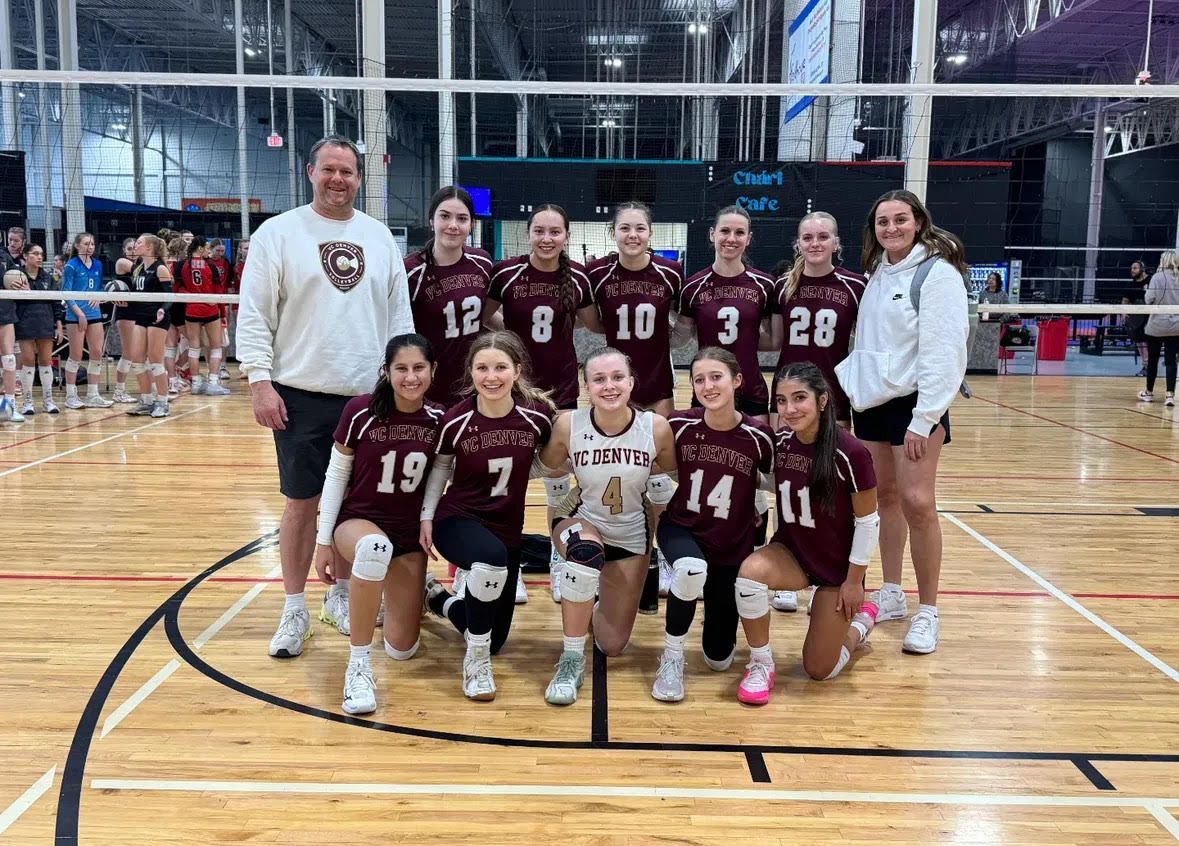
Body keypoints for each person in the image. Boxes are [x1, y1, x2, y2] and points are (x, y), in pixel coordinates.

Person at [236, 134, 415, 660]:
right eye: (329, 169)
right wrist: (258, 380)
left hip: (368, 397)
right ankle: (294, 609)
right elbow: (254, 313)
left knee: (360, 510)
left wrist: (400, 381)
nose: (339, 179)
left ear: (360, 178)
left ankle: (340, 597)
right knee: (301, 505)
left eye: (349, 171)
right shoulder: (279, 233)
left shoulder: (378, 236)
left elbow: (398, 316)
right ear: (310, 172)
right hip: (300, 393)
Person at [835, 188, 968, 655]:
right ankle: (892, 591)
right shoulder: (878, 274)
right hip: (872, 404)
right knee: (884, 498)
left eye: (900, 220)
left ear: (919, 222)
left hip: (915, 407)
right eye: (882, 222)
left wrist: (925, 417)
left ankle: (928, 610)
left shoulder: (937, 274)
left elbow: (946, 350)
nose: (891, 228)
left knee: (917, 501)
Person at [313, 333, 446, 714]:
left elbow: (439, 476)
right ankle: (357, 667)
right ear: (385, 372)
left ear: (433, 371)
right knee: (374, 549)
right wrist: (323, 541)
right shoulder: (360, 410)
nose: (410, 377)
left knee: (402, 650)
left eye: (419, 368)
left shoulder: (439, 419)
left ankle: (417, 593)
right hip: (358, 523)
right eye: (400, 368)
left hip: (406, 534)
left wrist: (426, 519)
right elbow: (336, 475)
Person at [733, 362, 880, 705]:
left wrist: (854, 581)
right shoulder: (781, 442)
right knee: (748, 576)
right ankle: (761, 663)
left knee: (819, 669)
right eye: (782, 401)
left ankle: (859, 626)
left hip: (836, 569)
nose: (789, 409)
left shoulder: (852, 452)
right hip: (793, 553)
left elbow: (868, 521)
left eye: (799, 398)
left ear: (823, 400)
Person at [536, 347, 676, 705]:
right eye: (599, 379)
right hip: (580, 519)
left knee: (612, 644)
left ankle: (588, 596)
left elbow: (677, 473)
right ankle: (569, 660)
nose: (609, 386)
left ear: (632, 382)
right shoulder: (569, 424)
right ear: (586, 385)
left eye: (617, 378)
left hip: (631, 533)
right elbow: (544, 467)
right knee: (584, 555)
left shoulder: (655, 428)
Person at [421, 331, 555, 700]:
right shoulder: (455, 420)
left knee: (495, 637)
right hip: (458, 519)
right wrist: (427, 518)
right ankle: (476, 663)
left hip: (507, 530)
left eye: (500, 367)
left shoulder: (537, 416)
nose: (491, 376)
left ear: (517, 371)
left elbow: (548, 464)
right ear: (470, 371)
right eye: (482, 368)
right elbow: (438, 473)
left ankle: (437, 599)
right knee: (489, 563)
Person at [651, 347, 774, 702]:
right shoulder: (679, 424)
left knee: (718, 659)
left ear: (737, 381)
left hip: (731, 544)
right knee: (689, 569)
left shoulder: (760, 436)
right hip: (683, 528)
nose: (708, 386)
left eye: (716, 377)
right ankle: (671, 657)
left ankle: (716, 636)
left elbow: (777, 479)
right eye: (699, 379)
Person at [585, 202, 685, 610]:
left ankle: (660, 558)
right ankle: (601, 557)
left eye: (639, 228)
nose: (632, 235)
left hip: (657, 385)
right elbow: (594, 322)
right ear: (613, 233)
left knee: (657, 479)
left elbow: (681, 323)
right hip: (613, 389)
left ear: (650, 233)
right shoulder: (598, 275)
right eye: (624, 228)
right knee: (612, 473)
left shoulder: (670, 274)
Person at [766, 212, 865, 615]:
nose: (816, 243)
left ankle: (831, 568)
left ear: (836, 242)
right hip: (787, 396)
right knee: (784, 480)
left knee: (832, 488)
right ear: (798, 243)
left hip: (832, 399)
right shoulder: (783, 286)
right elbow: (773, 339)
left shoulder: (855, 286)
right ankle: (787, 566)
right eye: (808, 237)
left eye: (824, 236)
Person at [484, 204, 600, 410]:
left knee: (558, 442)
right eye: (538, 231)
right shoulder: (506, 273)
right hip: (515, 383)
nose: (546, 239)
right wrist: (513, 332)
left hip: (562, 386)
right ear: (528, 233)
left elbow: (593, 324)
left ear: (567, 236)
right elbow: (483, 317)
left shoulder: (578, 276)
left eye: (555, 232)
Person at [675, 205, 775, 422]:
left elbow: (774, 339)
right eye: (724, 231)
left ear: (748, 239)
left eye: (739, 233)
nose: (731, 238)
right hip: (707, 388)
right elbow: (682, 337)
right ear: (712, 234)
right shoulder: (692, 287)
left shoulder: (765, 285)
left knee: (756, 454)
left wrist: (745, 341)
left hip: (751, 389)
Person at [406, 186, 494, 407]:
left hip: (476, 381)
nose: (453, 225)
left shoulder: (482, 262)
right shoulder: (411, 271)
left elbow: (487, 314)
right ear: (431, 220)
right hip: (431, 386)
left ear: (471, 225)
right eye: (445, 216)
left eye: (462, 218)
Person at [61, 233, 114, 409]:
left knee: (97, 353)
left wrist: (98, 298)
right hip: (75, 315)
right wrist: (79, 313)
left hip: (94, 314)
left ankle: (93, 394)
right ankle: (70, 395)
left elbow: (98, 287)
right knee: (76, 355)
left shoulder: (98, 264)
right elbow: (66, 293)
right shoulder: (71, 266)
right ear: (77, 246)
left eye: (92, 244)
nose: (90, 247)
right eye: (85, 244)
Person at [124, 234, 174, 418]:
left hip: (157, 317)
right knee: (137, 360)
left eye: (139, 243)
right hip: (140, 316)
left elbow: (169, 296)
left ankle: (163, 401)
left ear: (149, 248)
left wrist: (162, 310)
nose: (135, 245)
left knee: (155, 360)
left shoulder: (160, 268)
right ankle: (146, 400)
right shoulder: (137, 268)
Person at [173, 237, 230, 396]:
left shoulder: (183, 265)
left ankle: (196, 382)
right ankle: (212, 382)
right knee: (216, 346)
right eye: (206, 248)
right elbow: (219, 291)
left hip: (191, 309)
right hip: (210, 308)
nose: (209, 251)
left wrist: (192, 296)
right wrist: (222, 312)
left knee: (194, 346)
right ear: (199, 248)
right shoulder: (210, 264)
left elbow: (177, 289)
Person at [13, 244, 64, 415]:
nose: (39, 257)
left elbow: (56, 302)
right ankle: (28, 402)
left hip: (45, 322)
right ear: (26, 256)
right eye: (35, 254)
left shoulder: (48, 278)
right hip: (25, 322)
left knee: (45, 360)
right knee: (27, 360)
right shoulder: (16, 276)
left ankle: (48, 401)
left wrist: (58, 325)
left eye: (41, 254)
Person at [1139, 250, 1179, 407]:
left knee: (1153, 360)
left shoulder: (1157, 277)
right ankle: (1170, 395)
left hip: (1157, 325)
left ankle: (1149, 392)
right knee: (1171, 360)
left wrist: (1147, 290)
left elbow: (1149, 299)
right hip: (1176, 325)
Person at [111, 237, 140, 403]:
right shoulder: (122, 262)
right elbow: (140, 272)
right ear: (124, 251)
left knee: (142, 353)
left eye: (136, 248)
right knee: (128, 353)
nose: (133, 252)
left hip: (140, 311)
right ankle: (119, 391)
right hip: (126, 312)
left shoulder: (142, 263)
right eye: (130, 249)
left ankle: (152, 389)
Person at [1128, 260, 1151, 375]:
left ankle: (1149, 366)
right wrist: (1124, 313)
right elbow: (1125, 298)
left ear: (1142, 269)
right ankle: (1145, 365)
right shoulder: (1132, 284)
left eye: (1135, 268)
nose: (1132, 270)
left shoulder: (1151, 280)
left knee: (1147, 342)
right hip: (1137, 318)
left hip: (1150, 316)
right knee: (1140, 341)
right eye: (1132, 268)